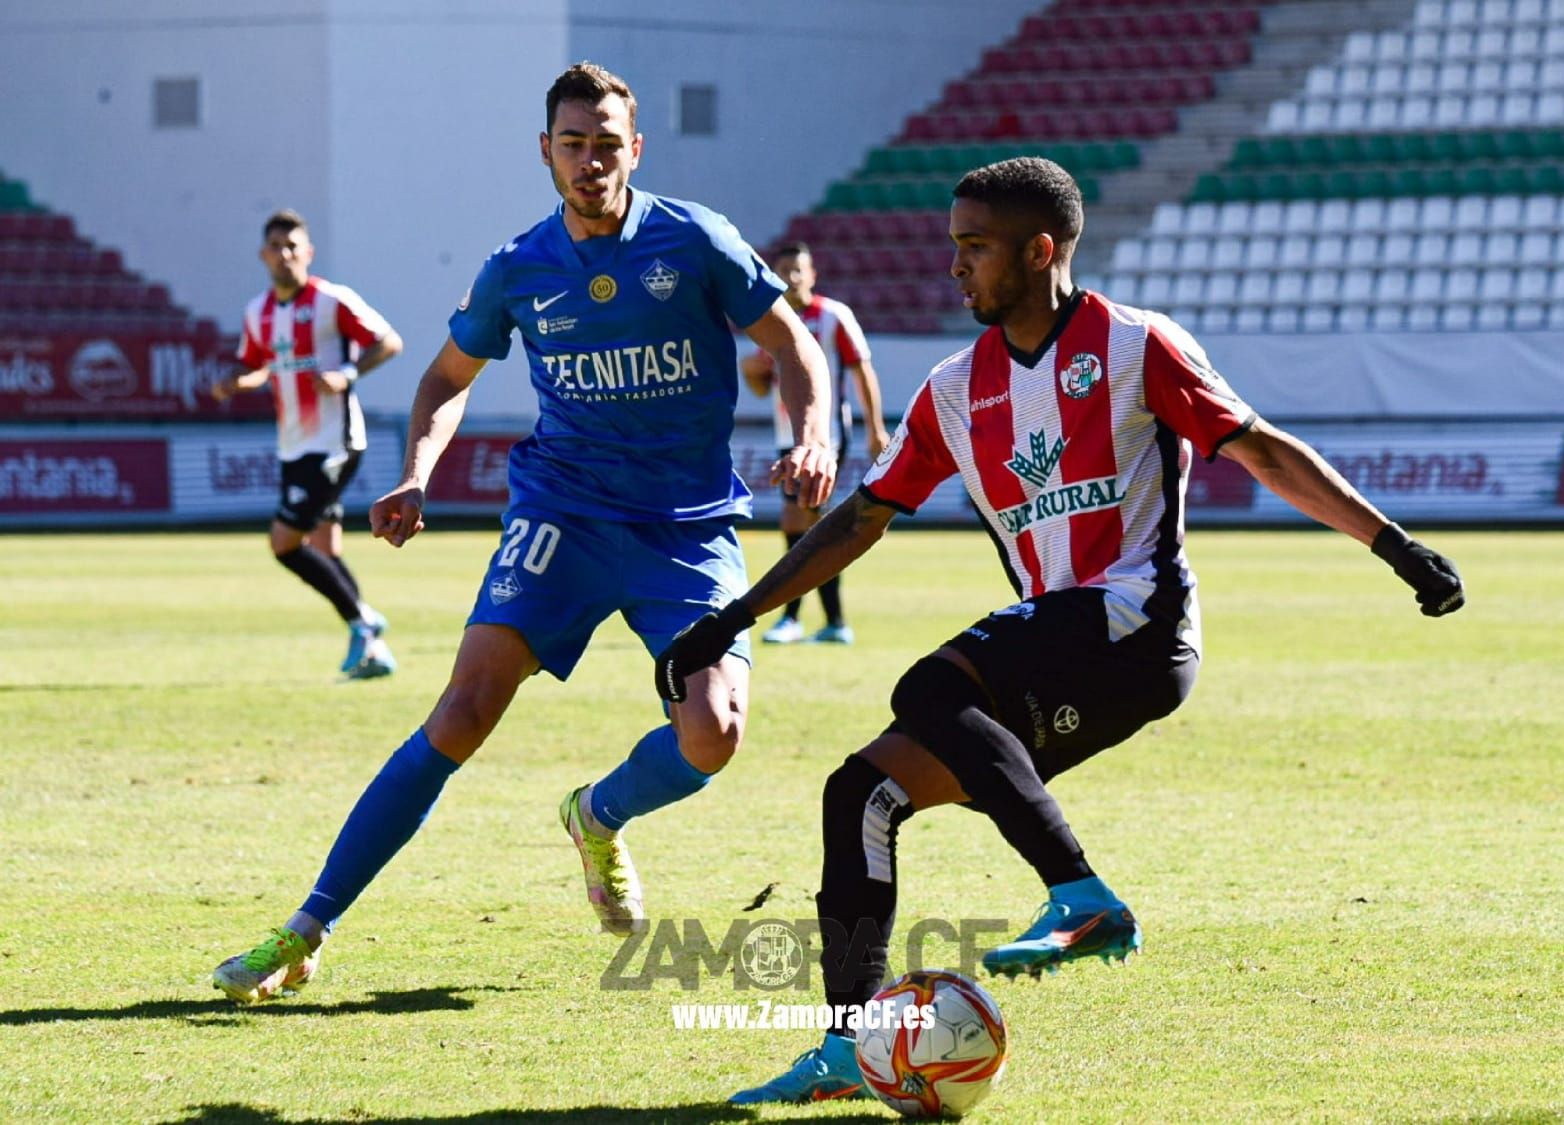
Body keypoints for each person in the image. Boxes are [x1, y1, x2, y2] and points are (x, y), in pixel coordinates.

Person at [655, 157, 1465, 1104]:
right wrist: (734, 617)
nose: (955, 267)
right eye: (953, 246)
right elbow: (863, 514)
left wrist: (1394, 545)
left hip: (1138, 622)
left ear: (1041, 251)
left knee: (929, 686)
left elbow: (1261, 448)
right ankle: (850, 1049)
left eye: (975, 248)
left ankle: (1081, 898)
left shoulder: (1135, 346)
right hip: (1064, 652)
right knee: (860, 794)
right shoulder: (957, 388)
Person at [211, 62, 837, 1004]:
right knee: (463, 710)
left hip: (687, 528)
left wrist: (813, 433)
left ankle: (598, 813)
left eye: (608, 144)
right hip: (564, 515)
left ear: (637, 148)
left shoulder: (695, 240)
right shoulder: (516, 268)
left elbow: (793, 344)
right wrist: (416, 474)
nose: (591, 161)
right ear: (546, 150)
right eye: (573, 144)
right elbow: (441, 381)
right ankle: (306, 927)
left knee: (712, 735)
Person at [212, 209, 404, 679]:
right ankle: (373, 651)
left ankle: (362, 620)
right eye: (276, 246)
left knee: (283, 544)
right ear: (263, 255)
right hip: (293, 444)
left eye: (293, 246)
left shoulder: (331, 301)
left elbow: (389, 341)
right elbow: (259, 365)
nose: (285, 254)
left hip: (334, 442)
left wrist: (346, 373)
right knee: (325, 548)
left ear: (309, 253)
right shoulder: (256, 312)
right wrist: (238, 382)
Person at [740, 242, 891, 645]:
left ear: (812, 274)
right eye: (783, 269)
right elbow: (761, 388)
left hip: (825, 436)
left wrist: (875, 428)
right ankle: (833, 620)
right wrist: (751, 372)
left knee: (799, 518)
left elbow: (862, 372)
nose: (791, 277)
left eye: (797, 269)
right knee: (812, 523)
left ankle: (792, 617)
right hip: (784, 436)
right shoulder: (773, 322)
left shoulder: (834, 316)